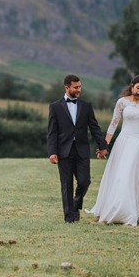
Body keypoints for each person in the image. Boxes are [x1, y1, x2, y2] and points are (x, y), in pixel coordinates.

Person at [85, 74, 139, 226]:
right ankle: (124, 213)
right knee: (124, 178)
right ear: (132, 85)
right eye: (138, 87)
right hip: (125, 142)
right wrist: (104, 145)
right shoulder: (122, 102)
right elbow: (113, 124)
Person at [47, 74, 109, 223]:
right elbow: (52, 132)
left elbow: (94, 127)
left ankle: (76, 202)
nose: (79, 89)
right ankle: (69, 217)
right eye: (76, 87)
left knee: (84, 181)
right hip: (63, 151)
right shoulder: (55, 107)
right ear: (67, 87)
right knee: (66, 184)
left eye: (80, 86)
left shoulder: (86, 106)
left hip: (82, 150)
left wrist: (103, 145)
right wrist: (52, 152)